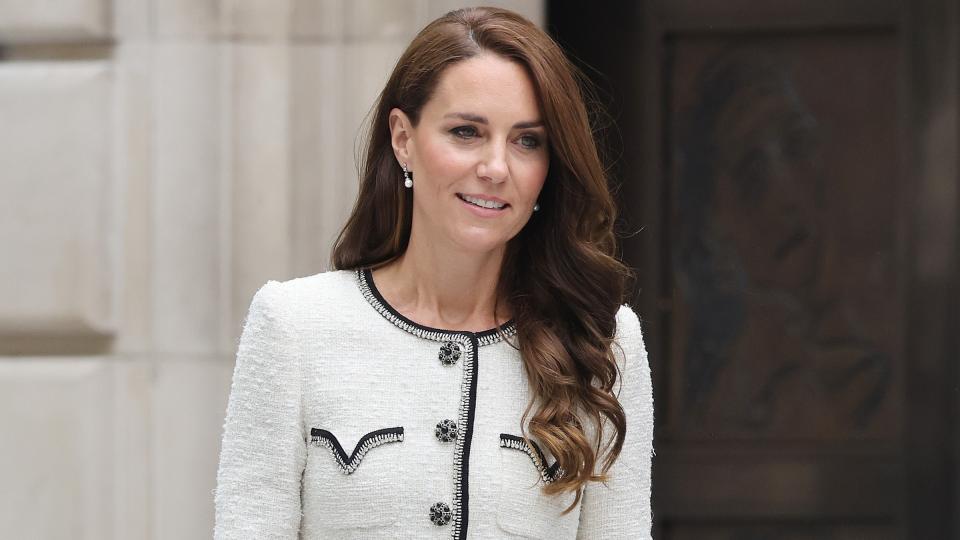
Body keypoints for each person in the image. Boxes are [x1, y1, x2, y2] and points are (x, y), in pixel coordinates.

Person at [213, 6, 653, 539]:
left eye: (527, 140)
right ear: (403, 138)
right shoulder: (295, 327)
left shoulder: (601, 340)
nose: (496, 168)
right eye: (467, 132)